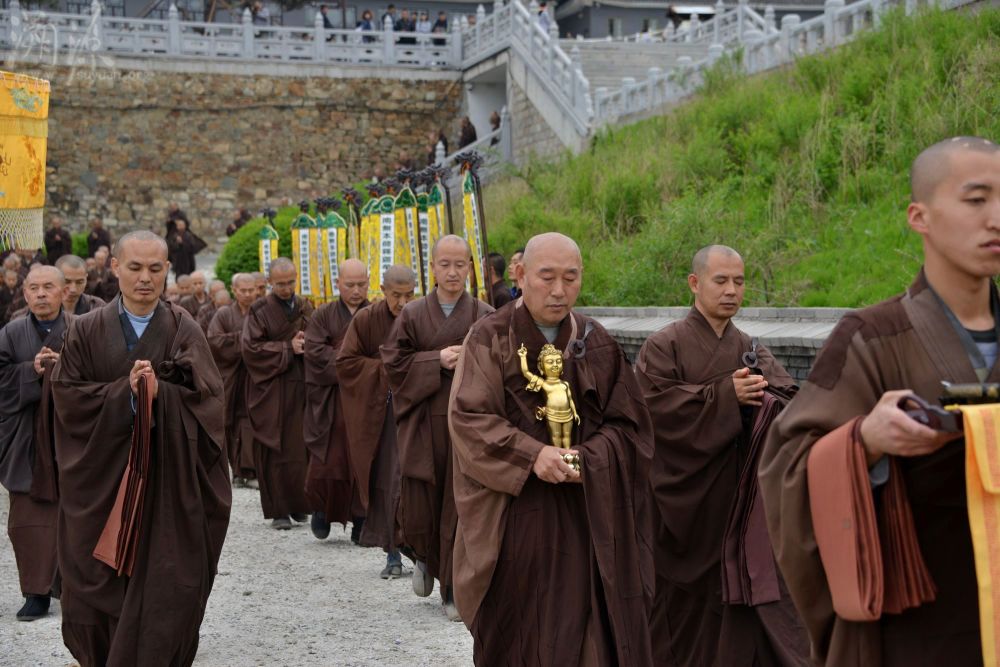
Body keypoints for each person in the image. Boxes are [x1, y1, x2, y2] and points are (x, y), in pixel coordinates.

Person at [758, 136, 1000, 666]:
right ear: (921, 216)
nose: (996, 218)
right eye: (977, 199)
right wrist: (863, 442)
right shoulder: (871, 338)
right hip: (919, 630)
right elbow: (785, 468)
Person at [449, 232, 655, 665]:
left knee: (591, 635)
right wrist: (531, 455)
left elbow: (631, 425)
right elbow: (470, 420)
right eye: (547, 277)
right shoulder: (490, 337)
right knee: (521, 632)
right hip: (517, 517)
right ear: (521, 275)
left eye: (571, 278)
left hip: (587, 516)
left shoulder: (596, 342)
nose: (559, 291)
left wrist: (592, 458)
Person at [51, 230, 230, 666]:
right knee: (94, 581)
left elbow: (209, 400)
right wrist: (126, 395)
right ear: (114, 268)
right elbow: (68, 399)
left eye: (155, 269)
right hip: (102, 480)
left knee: (171, 585)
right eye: (134, 268)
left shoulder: (184, 327)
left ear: (168, 270)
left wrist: (160, 394)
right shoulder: (86, 330)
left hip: (167, 485)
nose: (145, 278)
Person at [635, 245, 809, 667]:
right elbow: (650, 412)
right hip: (684, 509)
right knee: (681, 615)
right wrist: (722, 398)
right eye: (721, 281)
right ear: (695, 284)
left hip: (740, 504)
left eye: (739, 281)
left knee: (744, 609)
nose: (732, 290)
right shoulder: (664, 346)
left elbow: (793, 406)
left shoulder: (750, 348)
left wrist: (764, 401)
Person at [382, 236, 493, 619]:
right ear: (432, 268)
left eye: (459, 265)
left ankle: (452, 589)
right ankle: (425, 558)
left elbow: (504, 362)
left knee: (461, 504)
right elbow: (393, 364)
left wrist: (473, 358)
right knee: (421, 501)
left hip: (468, 427)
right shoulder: (412, 314)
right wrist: (436, 360)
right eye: (444, 264)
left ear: (469, 267)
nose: (452, 272)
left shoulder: (484, 311)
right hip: (423, 422)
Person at [336, 265, 416, 578]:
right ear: (382, 290)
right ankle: (392, 553)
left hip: (416, 411)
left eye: (409, 294)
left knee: (414, 481)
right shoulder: (367, 319)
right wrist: (386, 370)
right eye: (396, 295)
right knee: (388, 481)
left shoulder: (420, 315)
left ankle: (420, 552)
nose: (403, 302)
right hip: (381, 414)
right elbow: (346, 362)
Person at [0, 266, 69, 621]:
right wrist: (31, 371)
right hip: (25, 438)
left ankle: (71, 588)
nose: (41, 294)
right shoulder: (10, 333)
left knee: (76, 512)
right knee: (27, 520)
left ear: (63, 292)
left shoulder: (80, 329)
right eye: (34, 288)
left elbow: (100, 376)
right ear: (25, 295)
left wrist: (64, 368)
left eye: (48, 287)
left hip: (70, 436)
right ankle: (35, 592)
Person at [241, 257, 314, 529]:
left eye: (291, 282)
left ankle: (299, 505)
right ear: (270, 283)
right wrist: (287, 348)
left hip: (300, 384)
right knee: (275, 447)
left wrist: (309, 344)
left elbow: (318, 335)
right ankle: (279, 511)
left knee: (300, 445)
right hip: (271, 389)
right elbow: (251, 349)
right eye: (280, 284)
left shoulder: (305, 305)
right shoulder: (259, 309)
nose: (286, 288)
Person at [304, 259, 370, 541]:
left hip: (365, 402)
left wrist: (354, 363)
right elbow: (315, 353)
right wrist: (355, 364)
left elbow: (386, 351)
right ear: (337, 284)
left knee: (363, 463)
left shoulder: (375, 313)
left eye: (361, 284)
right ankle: (322, 509)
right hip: (331, 402)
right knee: (328, 461)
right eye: (350, 285)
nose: (356, 290)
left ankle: (361, 520)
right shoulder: (322, 315)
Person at [208, 273, 259, 487]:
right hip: (230, 376)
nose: (247, 294)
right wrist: (244, 340)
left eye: (251, 290)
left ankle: (249, 469)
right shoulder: (223, 314)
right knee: (229, 423)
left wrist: (249, 343)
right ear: (234, 290)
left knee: (250, 420)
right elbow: (214, 341)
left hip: (256, 376)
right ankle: (236, 471)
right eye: (243, 290)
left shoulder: (262, 312)